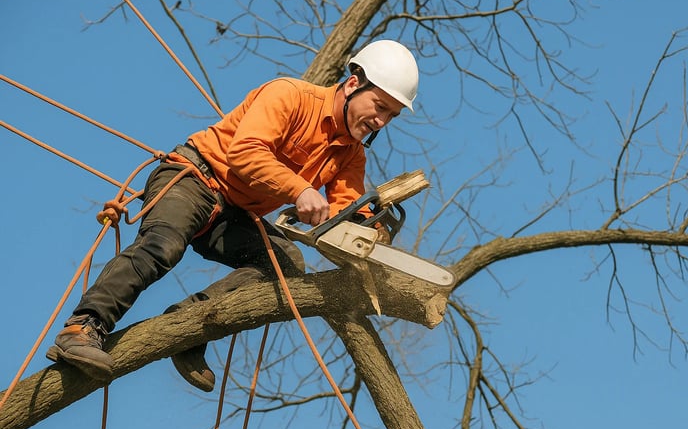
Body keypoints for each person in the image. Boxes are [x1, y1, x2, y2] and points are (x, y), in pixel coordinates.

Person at [45, 39, 419, 392]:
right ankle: (83, 327)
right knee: (163, 246)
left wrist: (372, 230)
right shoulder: (290, 95)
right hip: (195, 178)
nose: (382, 121)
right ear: (353, 83)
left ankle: (189, 326)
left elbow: (346, 208)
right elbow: (245, 152)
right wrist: (300, 189)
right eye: (380, 107)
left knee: (286, 264)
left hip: (234, 214)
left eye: (392, 115)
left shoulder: (351, 154)